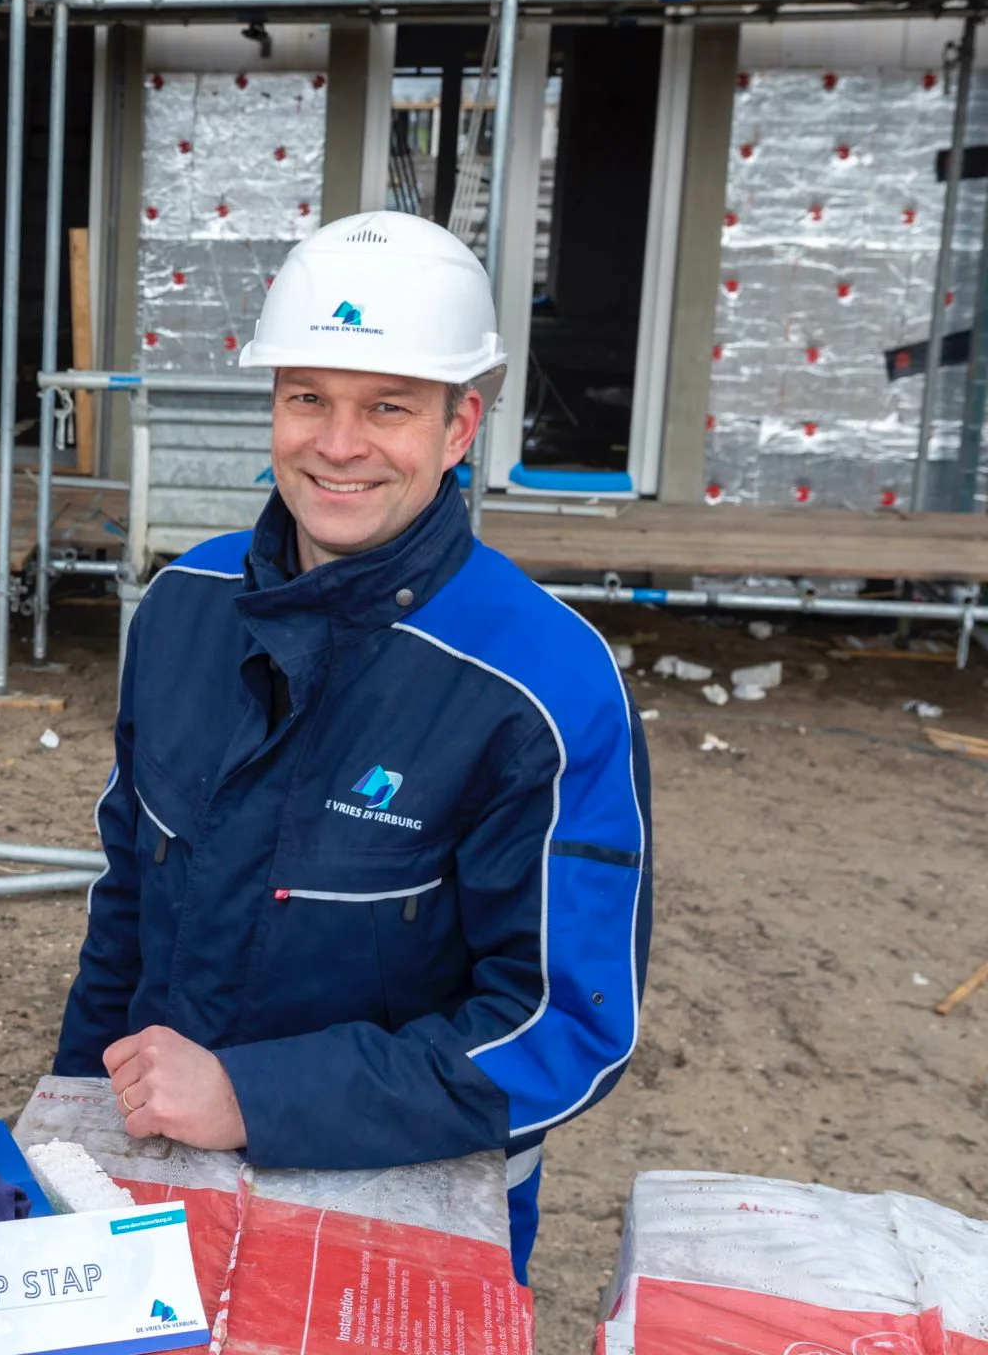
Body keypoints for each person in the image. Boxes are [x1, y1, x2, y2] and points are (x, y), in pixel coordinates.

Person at [52, 210, 652, 1285]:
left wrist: (255, 1098)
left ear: (460, 427)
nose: (336, 445)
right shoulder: (184, 609)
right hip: (159, 1171)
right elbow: (128, 909)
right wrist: (69, 1129)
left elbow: (562, 1025)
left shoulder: (541, 687)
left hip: (411, 1212)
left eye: (387, 407)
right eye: (307, 399)